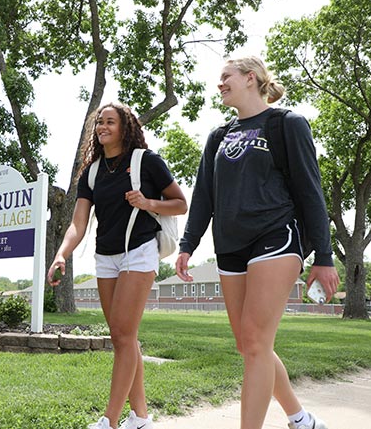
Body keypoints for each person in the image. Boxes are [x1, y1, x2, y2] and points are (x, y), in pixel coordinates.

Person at [176, 56, 340, 429]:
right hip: (231, 244)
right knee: (251, 346)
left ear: (251, 78)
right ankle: (301, 419)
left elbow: (311, 190)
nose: (219, 84)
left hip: (276, 235)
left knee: (253, 342)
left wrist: (325, 256)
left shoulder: (287, 123)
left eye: (226, 77)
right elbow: (204, 194)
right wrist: (188, 243)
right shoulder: (218, 135)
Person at [47, 103, 187, 429]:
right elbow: (77, 224)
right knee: (123, 337)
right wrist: (61, 254)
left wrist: (147, 202)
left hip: (139, 251)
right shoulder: (92, 172)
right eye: (99, 122)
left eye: (110, 122)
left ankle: (109, 421)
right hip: (105, 257)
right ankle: (140, 417)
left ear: (125, 127)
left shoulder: (146, 162)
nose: (102, 127)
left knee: (123, 335)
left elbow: (180, 203)